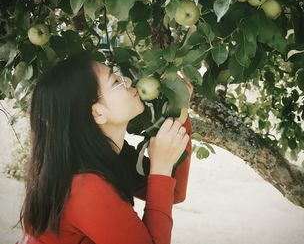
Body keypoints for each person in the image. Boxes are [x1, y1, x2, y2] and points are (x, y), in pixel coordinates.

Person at [16, 52, 193, 244]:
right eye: (116, 81)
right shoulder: (84, 187)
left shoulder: (104, 156)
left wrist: (179, 108)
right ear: (97, 113)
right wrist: (161, 167)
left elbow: (174, 192)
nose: (127, 80)